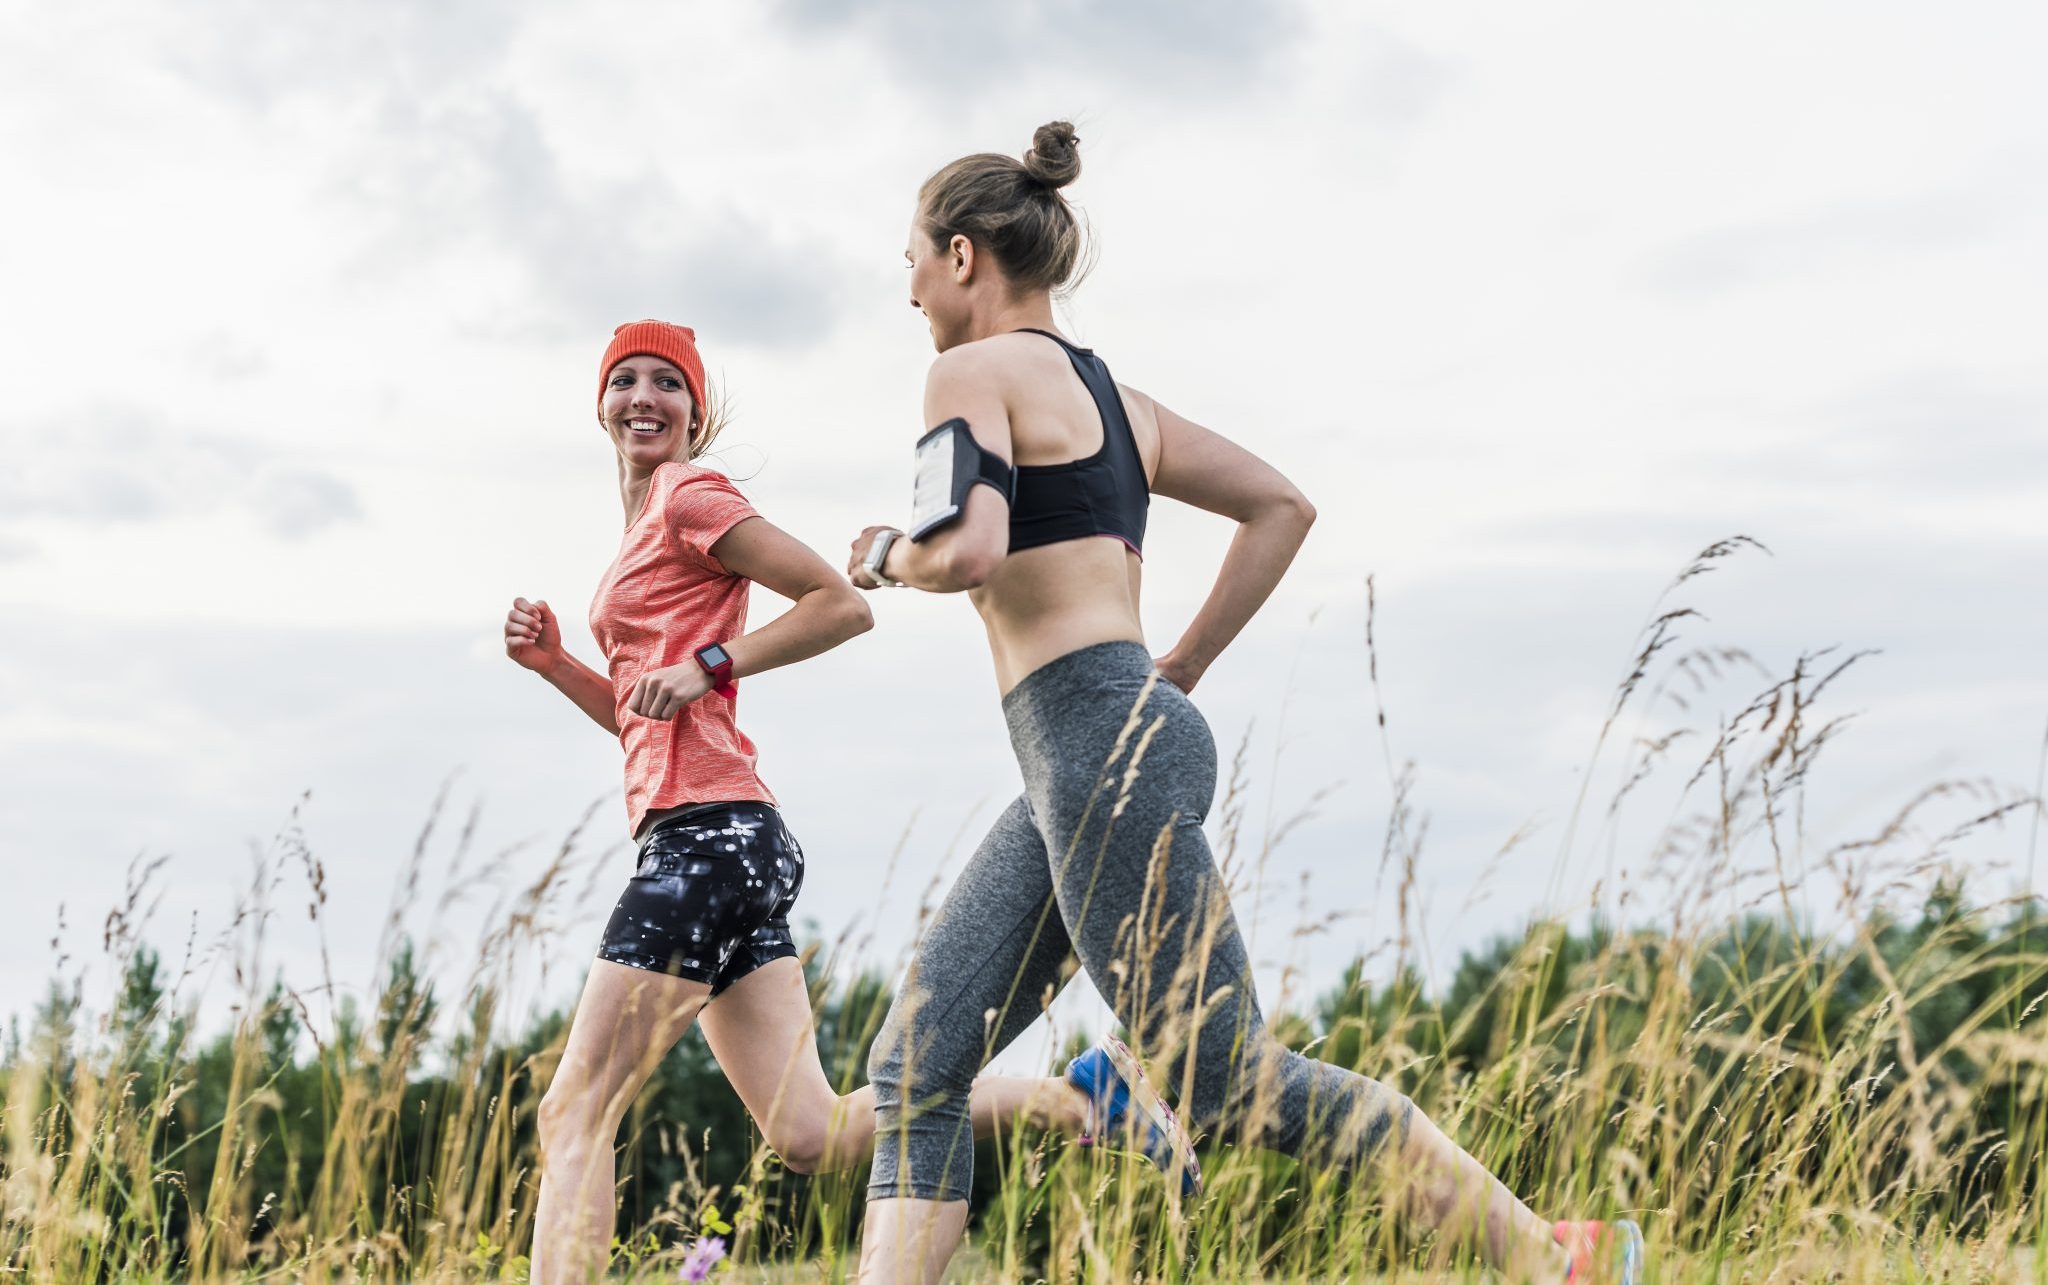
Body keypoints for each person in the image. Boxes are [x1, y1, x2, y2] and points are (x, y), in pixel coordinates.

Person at [844, 126, 1646, 1284]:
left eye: (912, 257)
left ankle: (1557, 1258)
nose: (907, 285)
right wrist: (1179, 668)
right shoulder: (1119, 402)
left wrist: (882, 554)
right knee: (916, 1066)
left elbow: (967, 548)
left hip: (1094, 747)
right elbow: (1280, 505)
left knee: (1227, 1085)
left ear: (963, 256)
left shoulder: (966, 371)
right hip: (1087, 750)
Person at [504, 319, 1200, 1283]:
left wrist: (711, 663)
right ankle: (1086, 1100)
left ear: (695, 412)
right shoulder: (638, 534)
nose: (644, 398)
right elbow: (638, 714)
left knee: (574, 1107)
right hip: (721, 837)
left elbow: (840, 601)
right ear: (600, 404)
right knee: (812, 1130)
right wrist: (556, 666)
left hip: (707, 844)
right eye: (626, 380)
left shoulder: (691, 496)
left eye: (668, 383)